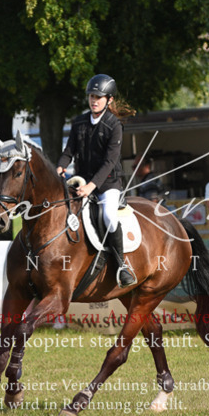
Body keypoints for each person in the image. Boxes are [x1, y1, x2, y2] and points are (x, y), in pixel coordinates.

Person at [56, 73, 137, 287]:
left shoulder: (114, 125)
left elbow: (110, 162)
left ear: (109, 100)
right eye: (91, 96)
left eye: (98, 97)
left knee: (109, 215)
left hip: (108, 184)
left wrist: (91, 187)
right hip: (81, 181)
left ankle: (121, 265)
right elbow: (68, 151)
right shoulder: (79, 122)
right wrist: (60, 166)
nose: (94, 100)